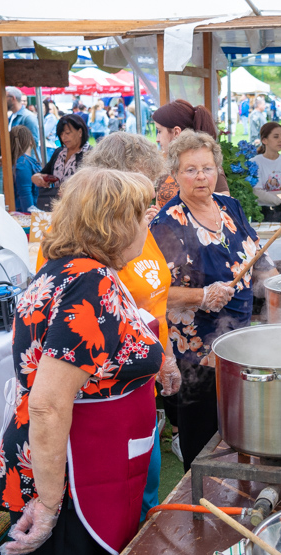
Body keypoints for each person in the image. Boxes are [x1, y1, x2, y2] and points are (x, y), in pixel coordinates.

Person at [0, 167, 163, 555]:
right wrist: (50, 505)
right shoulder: (92, 283)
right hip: (71, 474)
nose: (148, 223)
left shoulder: (71, 269)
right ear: (116, 223)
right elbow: (48, 405)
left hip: (76, 462)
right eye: (142, 215)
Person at [151, 130, 278, 471]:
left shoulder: (229, 206)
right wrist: (201, 296)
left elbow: (256, 257)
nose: (201, 177)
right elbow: (154, 293)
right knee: (202, 434)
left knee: (241, 425)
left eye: (207, 168)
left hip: (239, 338)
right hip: (196, 349)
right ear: (175, 174)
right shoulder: (167, 224)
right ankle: (199, 497)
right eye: (190, 169)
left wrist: (277, 282)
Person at [77, 133, 179, 521]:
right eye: (142, 185)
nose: (150, 198)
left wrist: (164, 357)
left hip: (141, 382)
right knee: (121, 499)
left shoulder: (137, 223)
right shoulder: (92, 239)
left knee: (146, 487)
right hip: (108, 393)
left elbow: (155, 303)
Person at [151, 99, 230, 209]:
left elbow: (224, 209)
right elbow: (160, 207)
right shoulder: (164, 164)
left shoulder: (208, 168)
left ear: (176, 132)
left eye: (159, 131)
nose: (157, 139)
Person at [31, 114, 90, 211]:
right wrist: (37, 177)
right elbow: (45, 172)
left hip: (80, 209)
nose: (64, 137)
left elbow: (95, 186)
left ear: (80, 132)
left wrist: (72, 192)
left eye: (67, 133)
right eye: (61, 134)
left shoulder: (90, 154)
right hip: (57, 207)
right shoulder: (59, 152)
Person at [251, 122, 281, 223]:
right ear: (264, 140)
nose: (280, 140)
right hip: (261, 214)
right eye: (276, 137)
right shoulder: (255, 162)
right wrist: (280, 200)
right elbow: (257, 192)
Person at [10, 126, 41, 212]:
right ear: (30, 141)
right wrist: (30, 217)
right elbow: (25, 194)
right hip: (26, 216)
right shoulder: (23, 164)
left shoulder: (23, 161)